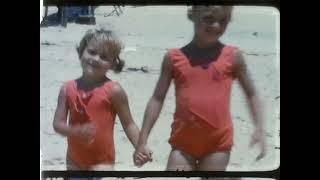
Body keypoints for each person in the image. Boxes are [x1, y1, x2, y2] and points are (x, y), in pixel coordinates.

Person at [134, 6, 266, 171]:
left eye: (223, 21)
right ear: (192, 15)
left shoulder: (233, 57)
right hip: (182, 143)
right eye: (209, 19)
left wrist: (259, 127)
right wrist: (142, 140)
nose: (217, 26)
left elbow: (251, 93)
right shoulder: (173, 58)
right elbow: (157, 99)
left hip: (217, 144)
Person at [52, 29, 151, 177]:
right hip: (74, 162)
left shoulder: (114, 91)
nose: (96, 59)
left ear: (112, 64)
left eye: (104, 57)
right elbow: (58, 124)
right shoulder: (67, 89)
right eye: (91, 52)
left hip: (102, 163)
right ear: (81, 52)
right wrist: (74, 131)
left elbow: (129, 124)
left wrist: (140, 145)